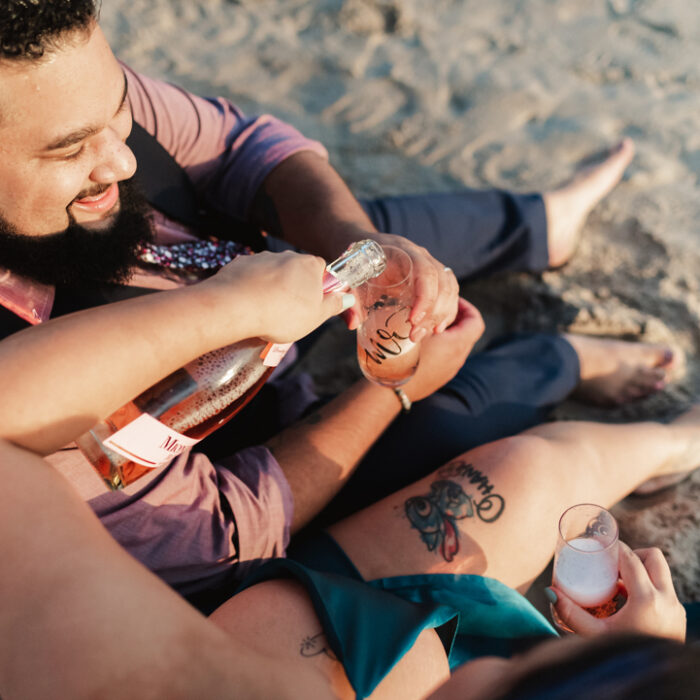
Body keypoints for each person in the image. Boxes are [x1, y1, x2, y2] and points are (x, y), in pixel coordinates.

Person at [0, 0, 678, 604]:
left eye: (118, 114)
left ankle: (538, 227)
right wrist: (393, 389)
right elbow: (223, 532)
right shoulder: (32, 396)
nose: (119, 161)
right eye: (71, 151)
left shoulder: (65, 90)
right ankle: (564, 362)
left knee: (370, 236)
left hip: (253, 291)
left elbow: (246, 149)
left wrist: (358, 246)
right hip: (253, 454)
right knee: (458, 438)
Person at [1, 396, 699, 698]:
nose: (516, 662)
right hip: (370, 623)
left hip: (318, 623)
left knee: (526, 470)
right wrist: (638, 658)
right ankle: (676, 444)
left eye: (519, 678)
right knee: (530, 473)